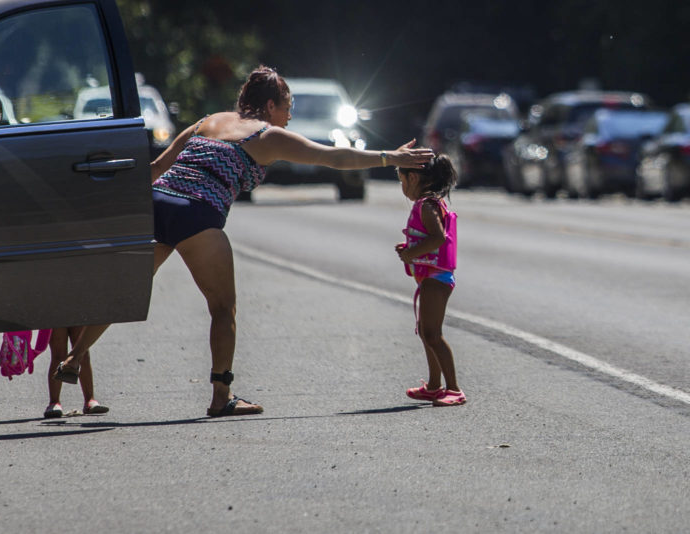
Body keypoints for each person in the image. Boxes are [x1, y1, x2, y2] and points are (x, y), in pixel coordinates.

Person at [54, 65, 434, 417]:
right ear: (270, 105)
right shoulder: (267, 135)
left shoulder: (208, 122)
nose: (289, 116)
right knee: (223, 308)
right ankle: (221, 397)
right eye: (288, 107)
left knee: (126, 292)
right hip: (197, 213)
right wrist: (390, 157)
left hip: (156, 203)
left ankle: (75, 358)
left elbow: (155, 169)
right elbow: (334, 157)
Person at [395, 154, 465, 407]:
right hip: (431, 277)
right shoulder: (429, 204)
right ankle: (434, 386)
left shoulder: (426, 205)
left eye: (402, 182)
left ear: (413, 177)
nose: (403, 188)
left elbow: (438, 238)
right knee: (425, 332)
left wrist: (410, 254)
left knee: (433, 334)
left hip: (437, 279)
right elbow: (428, 238)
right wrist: (410, 247)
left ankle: (454, 389)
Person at [44, 326, 108, 418]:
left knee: (83, 354)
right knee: (58, 355)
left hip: (78, 312)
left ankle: (89, 400)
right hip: (54, 313)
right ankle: (54, 402)